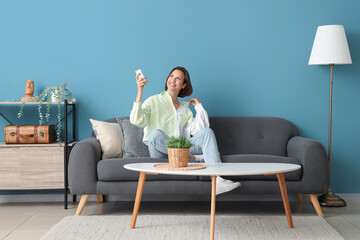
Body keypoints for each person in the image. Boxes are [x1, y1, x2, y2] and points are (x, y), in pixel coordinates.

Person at [130, 66, 240, 195]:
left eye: (178, 78)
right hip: (161, 153)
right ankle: (194, 158)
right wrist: (140, 91)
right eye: (171, 76)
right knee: (155, 134)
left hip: (183, 153)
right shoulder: (154, 100)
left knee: (207, 133)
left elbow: (201, 130)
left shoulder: (184, 109)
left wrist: (199, 107)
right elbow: (136, 120)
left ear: (183, 85)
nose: (173, 80)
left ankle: (218, 180)